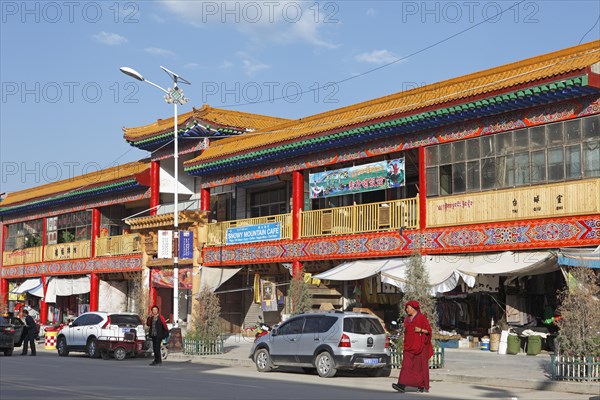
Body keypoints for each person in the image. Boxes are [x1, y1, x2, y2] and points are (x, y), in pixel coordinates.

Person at [392, 300, 434, 394]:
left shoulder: (421, 318)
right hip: (409, 346)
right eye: (406, 308)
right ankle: (401, 384)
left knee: (419, 368)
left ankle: (421, 385)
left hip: (420, 347)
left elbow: (429, 331)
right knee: (406, 366)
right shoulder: (407, 319)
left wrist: (420, 330)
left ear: (414, 308)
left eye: (408, 308)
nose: (407, 310)